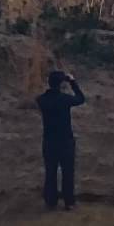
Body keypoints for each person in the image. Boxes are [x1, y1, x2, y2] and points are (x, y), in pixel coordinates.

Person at [36, 70, 86, 210]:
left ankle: (50, 201)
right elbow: (81, 98)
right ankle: (69, 202)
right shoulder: (65, 99)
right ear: (61, 84)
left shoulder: (41, 100)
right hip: (65, 141)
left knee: (50, 172)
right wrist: (73, 82)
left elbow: (41, 99)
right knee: (67, 172)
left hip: (49, 141)